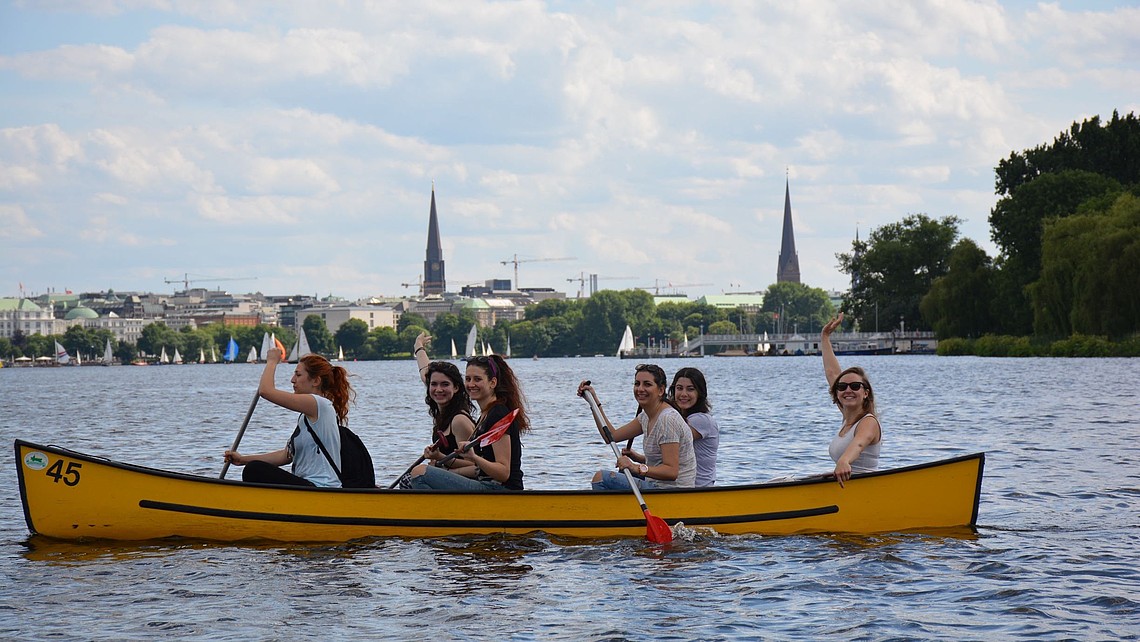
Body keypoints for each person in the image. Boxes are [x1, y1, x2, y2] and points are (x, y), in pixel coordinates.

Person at [224, 347, 356, 487]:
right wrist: (243, 459)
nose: (292, 380)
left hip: (320, 487)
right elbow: (285, 456)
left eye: (298, 375)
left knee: (254, 470)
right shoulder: (306, 417)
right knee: (253, 467)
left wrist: (272, 361)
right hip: (307, 485)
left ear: (316, 381)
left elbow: (265, 391)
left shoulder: (319, 404)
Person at [405, 354, 529, 490]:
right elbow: (478, 468)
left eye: (477, 379)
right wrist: (440, 456)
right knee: (409, 479)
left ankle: (441, 511)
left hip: (499, 489)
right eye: (468, 379)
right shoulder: (485, 415)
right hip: (486, 484)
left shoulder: (498, 414)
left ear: (492, 383)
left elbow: (503, 473)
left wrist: (474, 457)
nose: (471, 384)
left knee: (420, 473)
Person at [580, 363, 696, 490]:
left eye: (647, 384)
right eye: (637, 384)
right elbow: (611, 436)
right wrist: (593, 402)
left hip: (672, 492)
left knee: (600, 478)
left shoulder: (667, 419)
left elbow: (671, 472)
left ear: (661, 390)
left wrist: (635, 467)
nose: (640, 389)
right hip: (655, 484)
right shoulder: (646, 416)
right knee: (623, 473)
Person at [821, 312, 881, 486]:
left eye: (855, 386)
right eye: (842, 387)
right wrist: (825, 337)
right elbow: (832, 373)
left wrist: (844, 461)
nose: (848, 390)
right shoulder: (847, 417)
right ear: (837, 392)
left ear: (866, 393)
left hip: (864, 490)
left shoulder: (868, 422)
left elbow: (859, 444)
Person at [412, 332, 476, 467]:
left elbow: (474, 465)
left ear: (457, 388)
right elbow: (424, 371)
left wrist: (439, 458)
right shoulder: (444, 410)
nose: (438, 389)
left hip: (467, 483)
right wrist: (418, 346)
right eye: (433, 384)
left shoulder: (459, 421)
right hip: (448, 474)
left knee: (415, 475)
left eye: (445, 384)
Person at [670, 367, 719, 487]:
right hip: (676, 484)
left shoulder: (701, 420)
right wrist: (638, 458)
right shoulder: (676, 417)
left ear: (700, 393)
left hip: (695, 489)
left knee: (615, 480)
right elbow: (668, 458)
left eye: (690, 389)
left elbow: (673, 439)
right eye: (679, 388)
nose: (683, 394)